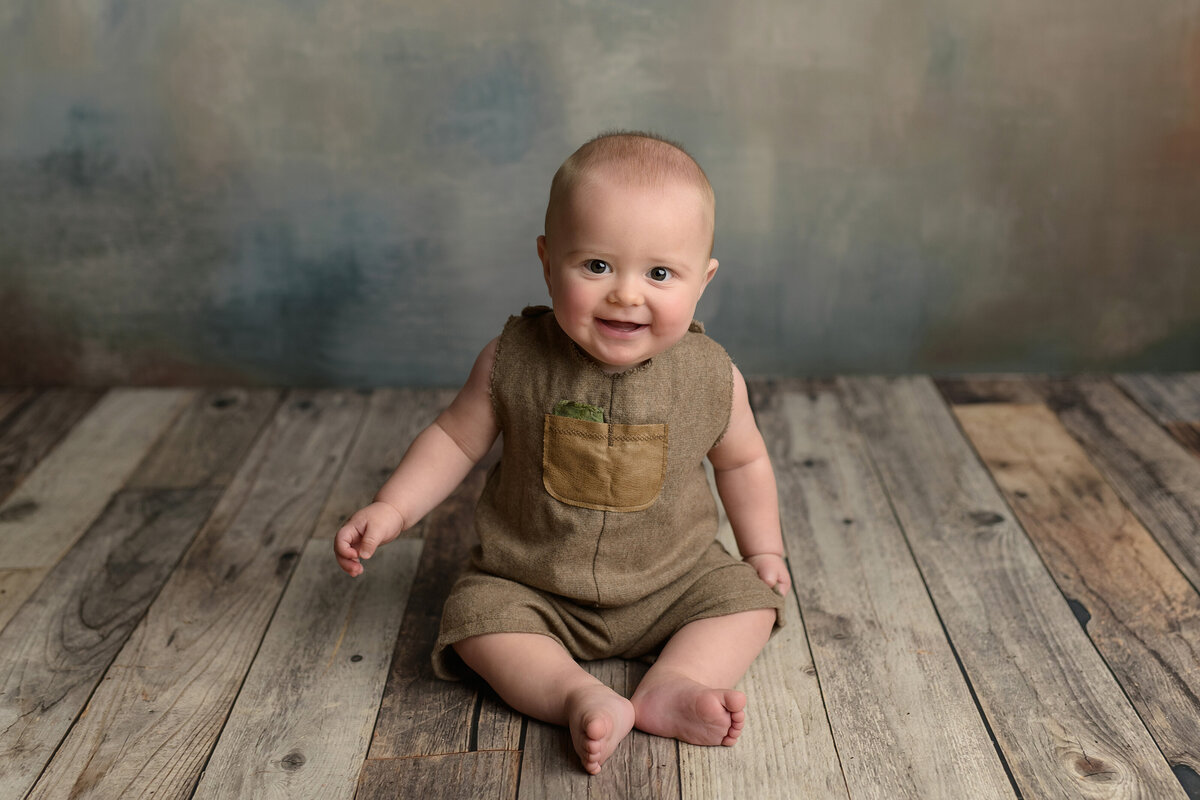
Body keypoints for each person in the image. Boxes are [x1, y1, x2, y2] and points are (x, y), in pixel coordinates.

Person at [335, 131, 791, 775]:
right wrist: (392, 508)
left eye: (659, 273)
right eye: (597, 266)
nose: (627, 294)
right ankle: (573, 692)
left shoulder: (714, 377)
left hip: (674, 579)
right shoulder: (512, 359)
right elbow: (453, 438)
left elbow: (742, 463)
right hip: (531, 581)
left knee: (748, 603)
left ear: (703, 280)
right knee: (474, 620)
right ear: (549, 262)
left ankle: (675, 681)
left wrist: (763, 551)